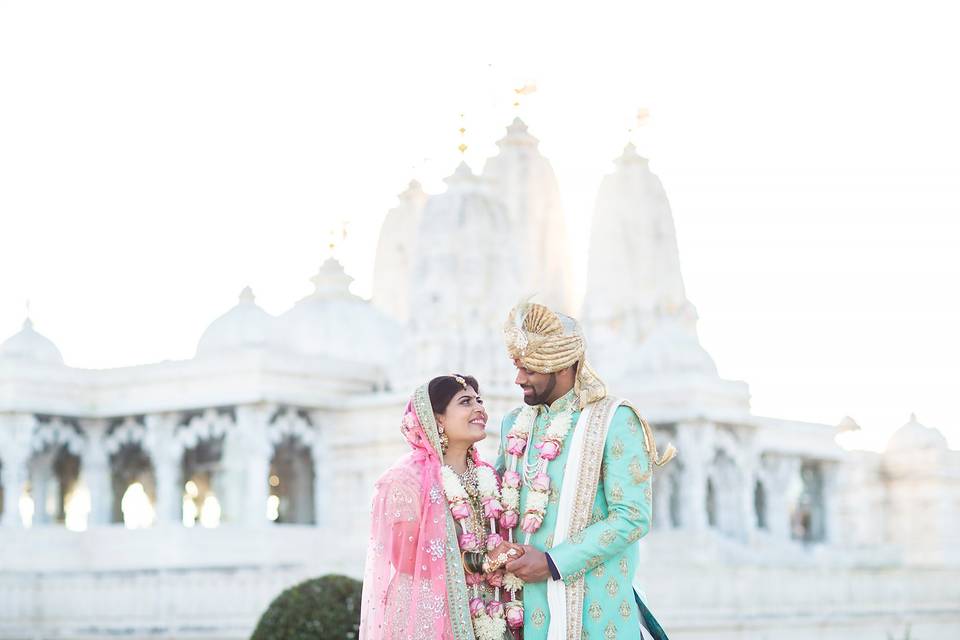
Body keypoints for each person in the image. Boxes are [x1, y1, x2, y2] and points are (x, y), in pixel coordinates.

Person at [495, 302, 676, 640]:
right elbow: (498, 504)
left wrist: (552, 563)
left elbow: (632, 516)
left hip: (597, 611)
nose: (519, 379)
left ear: (563, 366)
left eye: (530, 369)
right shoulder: (513, 425)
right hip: (525, 612)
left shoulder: (615, 420)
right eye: (518, 367)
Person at [359, 374, 521, 640]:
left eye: (479, 400)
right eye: (465, 402)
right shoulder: (406, 480)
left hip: (490, 611)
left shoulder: (490, 476)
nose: (479, 408)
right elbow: (407, 560)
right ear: (437, 419)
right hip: (430, 616)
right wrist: (482, 562)